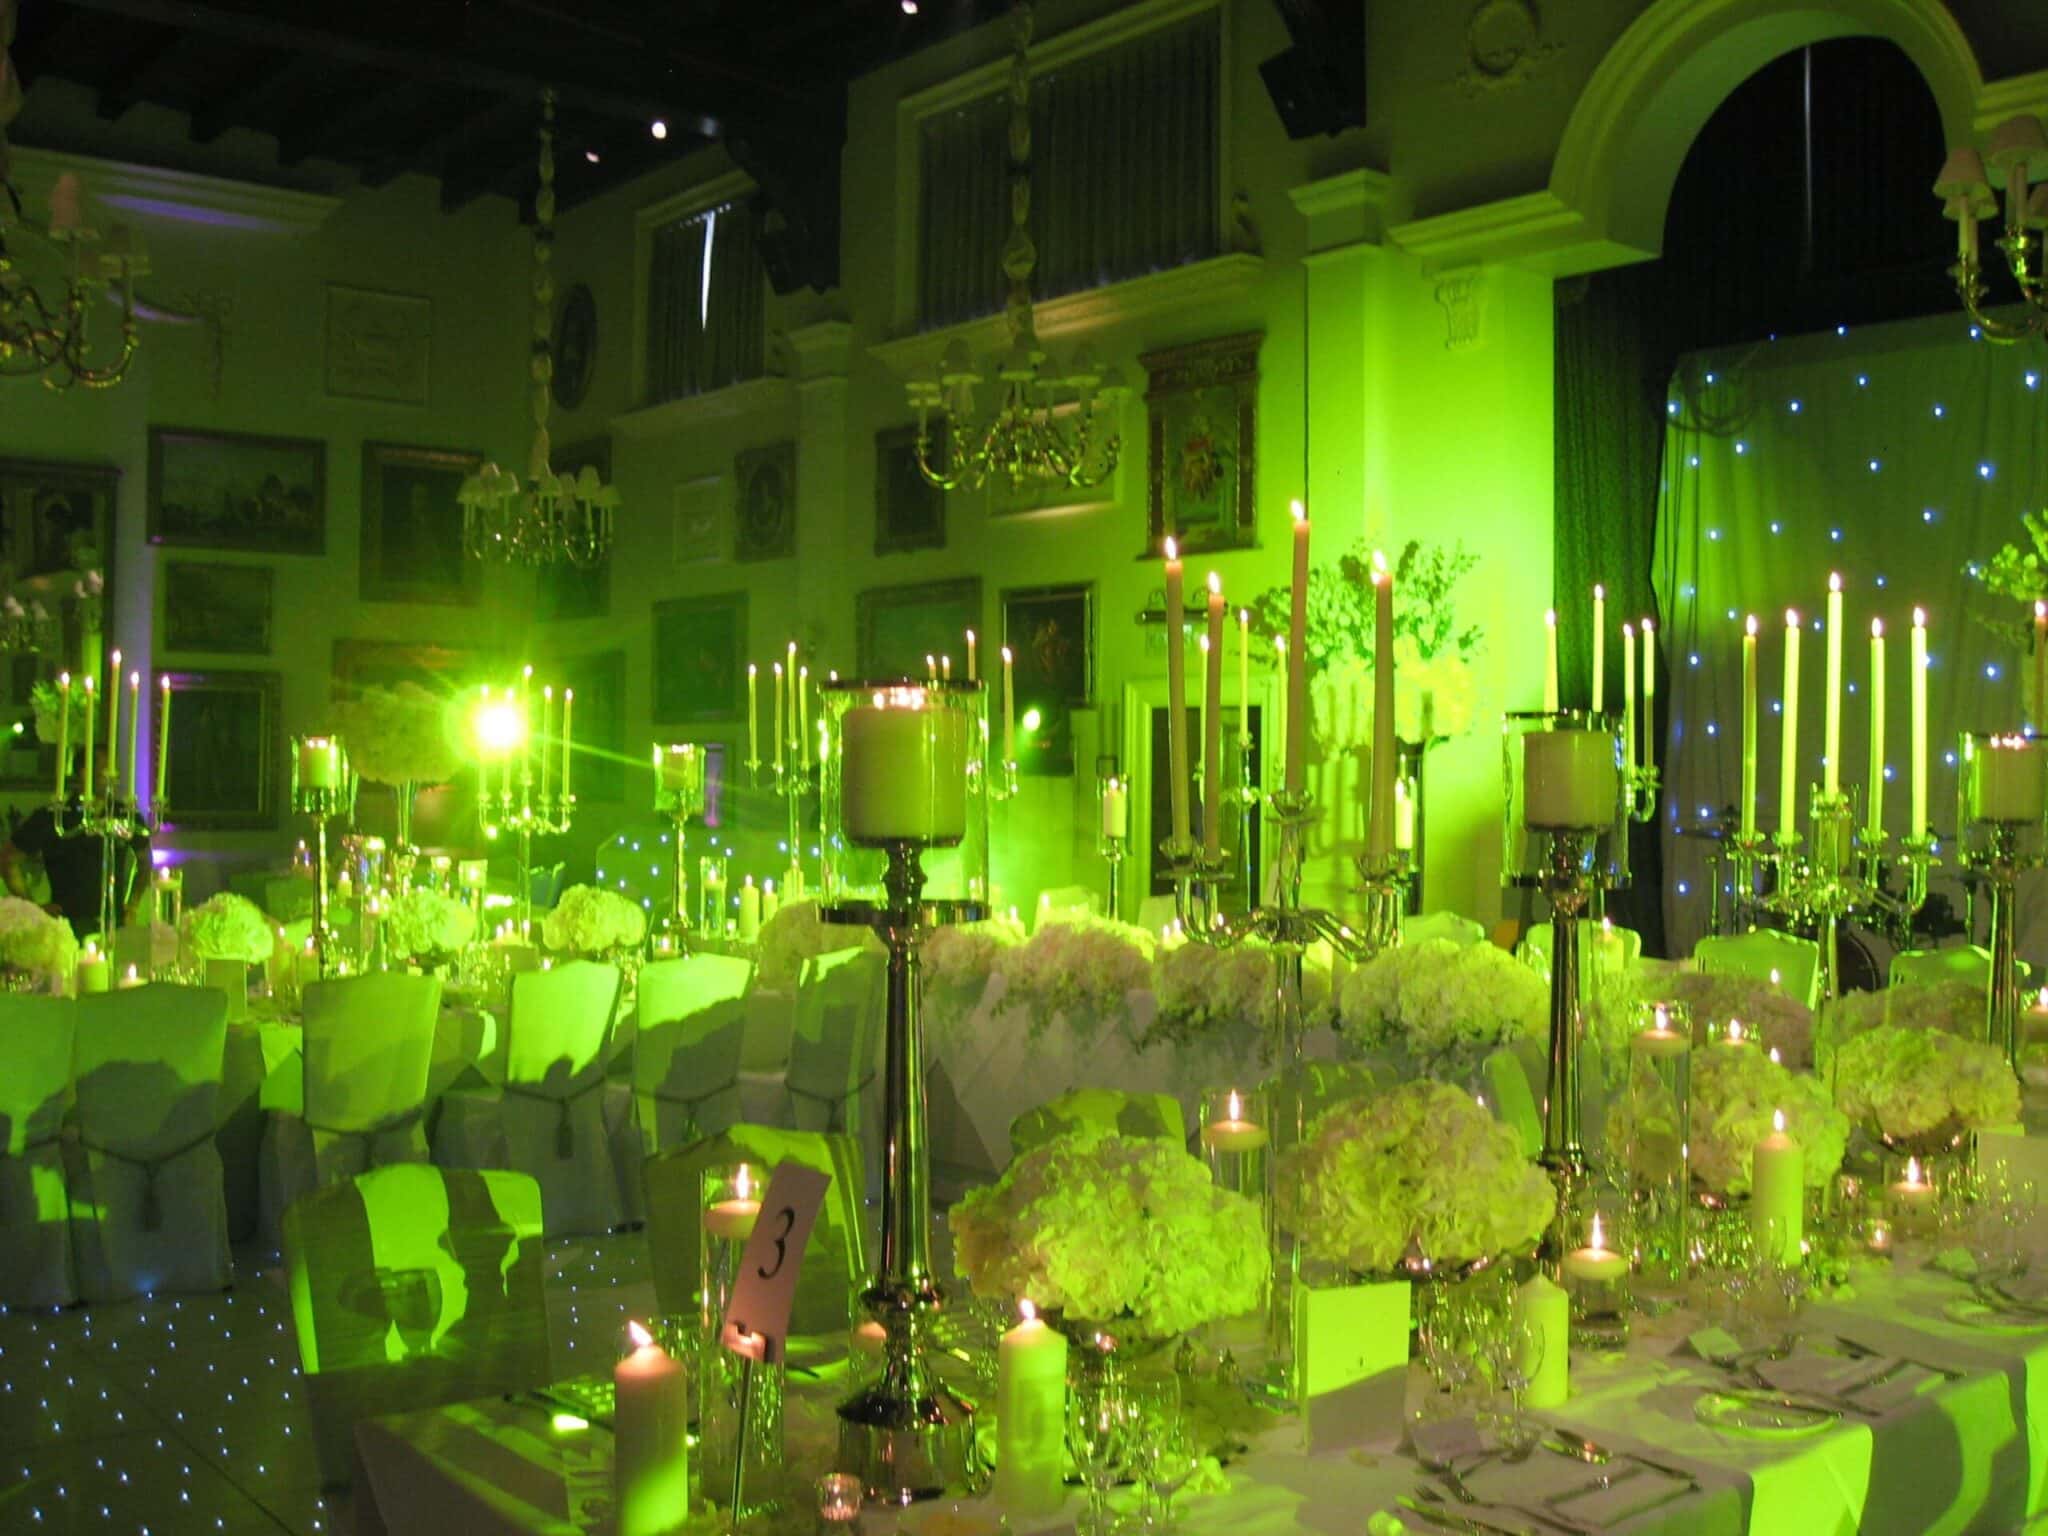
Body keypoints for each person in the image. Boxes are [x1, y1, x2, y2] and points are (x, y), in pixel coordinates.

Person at [1, 753, 152, 938]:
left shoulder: (124, 815)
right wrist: (33, 908)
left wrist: (133, 904)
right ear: (84, 772)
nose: (113, 777)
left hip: (114, 925)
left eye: (114, 771)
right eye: (105, 770)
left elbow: (145, 861)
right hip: (65, 928)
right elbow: (8, 860)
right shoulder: (54, 816)